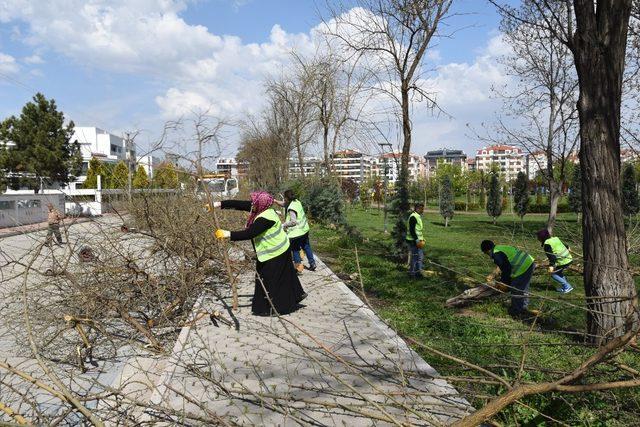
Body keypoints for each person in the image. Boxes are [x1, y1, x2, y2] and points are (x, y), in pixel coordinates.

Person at [211, 191, 306, 316]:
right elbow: (240, 204)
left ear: (261, 204)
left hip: (277, 252)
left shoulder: (266, 218)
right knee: (282, 276)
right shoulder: (261, 207)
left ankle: (278, 307)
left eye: (254, 202)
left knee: (271, 278)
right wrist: (217, 204)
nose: (252, 204)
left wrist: (227, 234)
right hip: (277, 249)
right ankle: (292, 297)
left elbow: (249, 233)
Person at [481, 240, 538, 317]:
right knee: (523, 288)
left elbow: (506, 269)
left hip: (523, 266)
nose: (488, 255)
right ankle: (523, 308)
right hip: (530, 262)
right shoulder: (499, 248)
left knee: (516, 288)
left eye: (486, 253)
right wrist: (494, 275)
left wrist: (503, 282)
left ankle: (517, 312)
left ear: (487, 250)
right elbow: (503, 265)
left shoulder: (496, 254)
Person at [276, 190, 316, 274]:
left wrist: (283, 225)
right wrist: (275, 201)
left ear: (287, 198)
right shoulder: (296, 202)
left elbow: (293, 222)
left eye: (284, 198)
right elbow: (284, 204)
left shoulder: (291, 208)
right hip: (304, 229)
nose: (284, 200)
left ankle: (298, 268)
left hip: (296, 233)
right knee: (307, 246)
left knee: (295, 249)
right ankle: (313, 263)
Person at [537, 229, 573, 294]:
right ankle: (565, 287)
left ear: (542, 237)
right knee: (559, 272)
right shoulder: (555, 239)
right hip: (569, 258)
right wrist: (568, 247)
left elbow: (552, 257)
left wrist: (551, 266)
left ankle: (567, 286)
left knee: (553, 274)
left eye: (538, 237)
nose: (538, 239)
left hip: (562, 261)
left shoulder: (547, 244)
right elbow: (563, 244)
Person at [406, 203, 426, 278]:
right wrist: (417, 240)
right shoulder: (413, 217)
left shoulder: (417, 216)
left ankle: (417, 272)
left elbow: (418, 230)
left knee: (419, 257)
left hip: (418, 241)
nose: (423, 210)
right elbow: (411, 230)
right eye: (421, 209)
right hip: (413, 241)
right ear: (417, 209)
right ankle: (413, 273)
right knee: (416, 257)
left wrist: (422, 238)